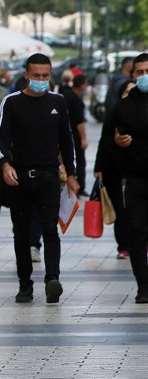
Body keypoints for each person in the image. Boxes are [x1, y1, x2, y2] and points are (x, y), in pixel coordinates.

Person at [0, 53, 79, 305]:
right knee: (20, 233)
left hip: (49, 177)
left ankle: (53, 278)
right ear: (26, 75)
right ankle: (25, 285)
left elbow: (67, 140)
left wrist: (72, 174)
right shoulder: (11, 102)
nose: (42, 80)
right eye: (37, 75)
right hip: (18, 178)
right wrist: (4, 163)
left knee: (50, 230)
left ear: (50, 74)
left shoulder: (58, 102)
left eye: (46, 75)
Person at [100, 54, 148, 302]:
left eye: (147, 71)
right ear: (132, 75)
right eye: (139, 72)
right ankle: (143, 286)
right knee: (136, 231)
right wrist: (116, 142)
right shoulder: (123, 107)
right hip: (135, 179)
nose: (143, 76)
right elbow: (106, 138)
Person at [95, 79, 135, 260]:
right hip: (116, 169)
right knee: (120, 207)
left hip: (138, 169)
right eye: (127, 92)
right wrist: (99, 167)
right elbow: (104, 141)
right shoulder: (115, 113)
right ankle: (124, 245)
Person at [63, 73, 89, 196]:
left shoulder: (66, 95)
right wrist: (83, 138)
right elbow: (79, 122)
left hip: (66, 134)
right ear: (82, 85)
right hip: (74, 135)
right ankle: (80, 187)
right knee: (80, 161)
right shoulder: (76, 99)